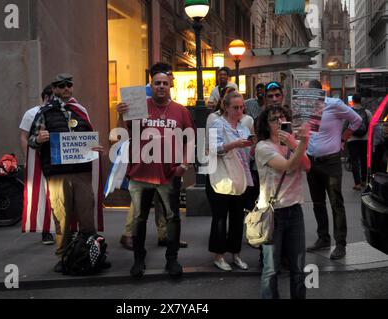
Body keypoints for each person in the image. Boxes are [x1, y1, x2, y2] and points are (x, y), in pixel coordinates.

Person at [117, 72, 195, 279]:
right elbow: (122, 135)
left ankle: (172, 259)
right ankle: (138, 260)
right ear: (150, 85)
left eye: (165, 83)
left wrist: (185, 164)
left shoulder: (180, 111)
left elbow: (190, 140)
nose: (161, 86)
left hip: (169, 174)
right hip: (140, 174)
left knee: (172, 218)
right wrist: (120, 114)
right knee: (139, 219)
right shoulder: (138, 106)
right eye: (157, 83)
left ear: (170, 86)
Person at [28, 74, 105, 272]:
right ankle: (64, 257)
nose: (66, 88)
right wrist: (39, 139)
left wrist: (94, 147)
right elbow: (31, 140)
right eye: (61, 86)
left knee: (86, 215)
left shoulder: (80, 111)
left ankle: (92, 254)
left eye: (69, 85)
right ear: (53, 89)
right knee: (61, 216)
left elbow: (88, 137)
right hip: (57, 173)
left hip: (81, 172)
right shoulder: (44, 113)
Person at [255, 105, 311, 299]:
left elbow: (307, 165)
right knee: (271, 269)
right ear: (266, 124)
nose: (279, 121)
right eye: (274, 119)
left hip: (294, 209)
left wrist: (295, 143)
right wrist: (302, 142)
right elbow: (288, 166)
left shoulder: (292, 142)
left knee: (298, 267)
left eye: (282, 117)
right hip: (273, 213)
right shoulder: (263, 147)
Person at [305, 80, 362, 260]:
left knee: (336, 203)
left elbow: (357, 120)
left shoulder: (334, 105)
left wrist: (343, 139)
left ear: (318, 93)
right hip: (312, 161)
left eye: (307, 92)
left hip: (330, 162)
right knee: (318, 203)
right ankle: (323, 238)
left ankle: (340, 244)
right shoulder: (305, 109)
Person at [207, 91, 254, 271]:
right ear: (225, 107)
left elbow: (246, 154)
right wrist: (235, 144)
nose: (239, 110)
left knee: (237, 217)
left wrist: (251, 145)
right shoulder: (217, 124)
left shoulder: (243, 126)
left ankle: (236, 254)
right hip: (221, 175)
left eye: (242, 107)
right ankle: (219, 256)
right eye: (235, 107)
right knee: (220, 218)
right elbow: (212, 149)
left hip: (240, 176)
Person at [19, 85, 55, 245]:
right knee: (43, 196)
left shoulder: (61, 111)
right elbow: (24, 136)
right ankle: (46, 231)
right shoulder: (31, 113)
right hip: (40, 158)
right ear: (47, 97)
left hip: (58, 159)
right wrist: (28, 159)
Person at [345, 93, 372, 191]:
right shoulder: (367, 112)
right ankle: (364, 181)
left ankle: (357, 184)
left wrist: (344, 139)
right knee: (364, 160)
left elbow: (346, 126)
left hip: (352, 140)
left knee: (354, 161)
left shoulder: (349, 112)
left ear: (353, 100)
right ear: (361, 100)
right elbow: (371, 126)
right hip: (365, 140)